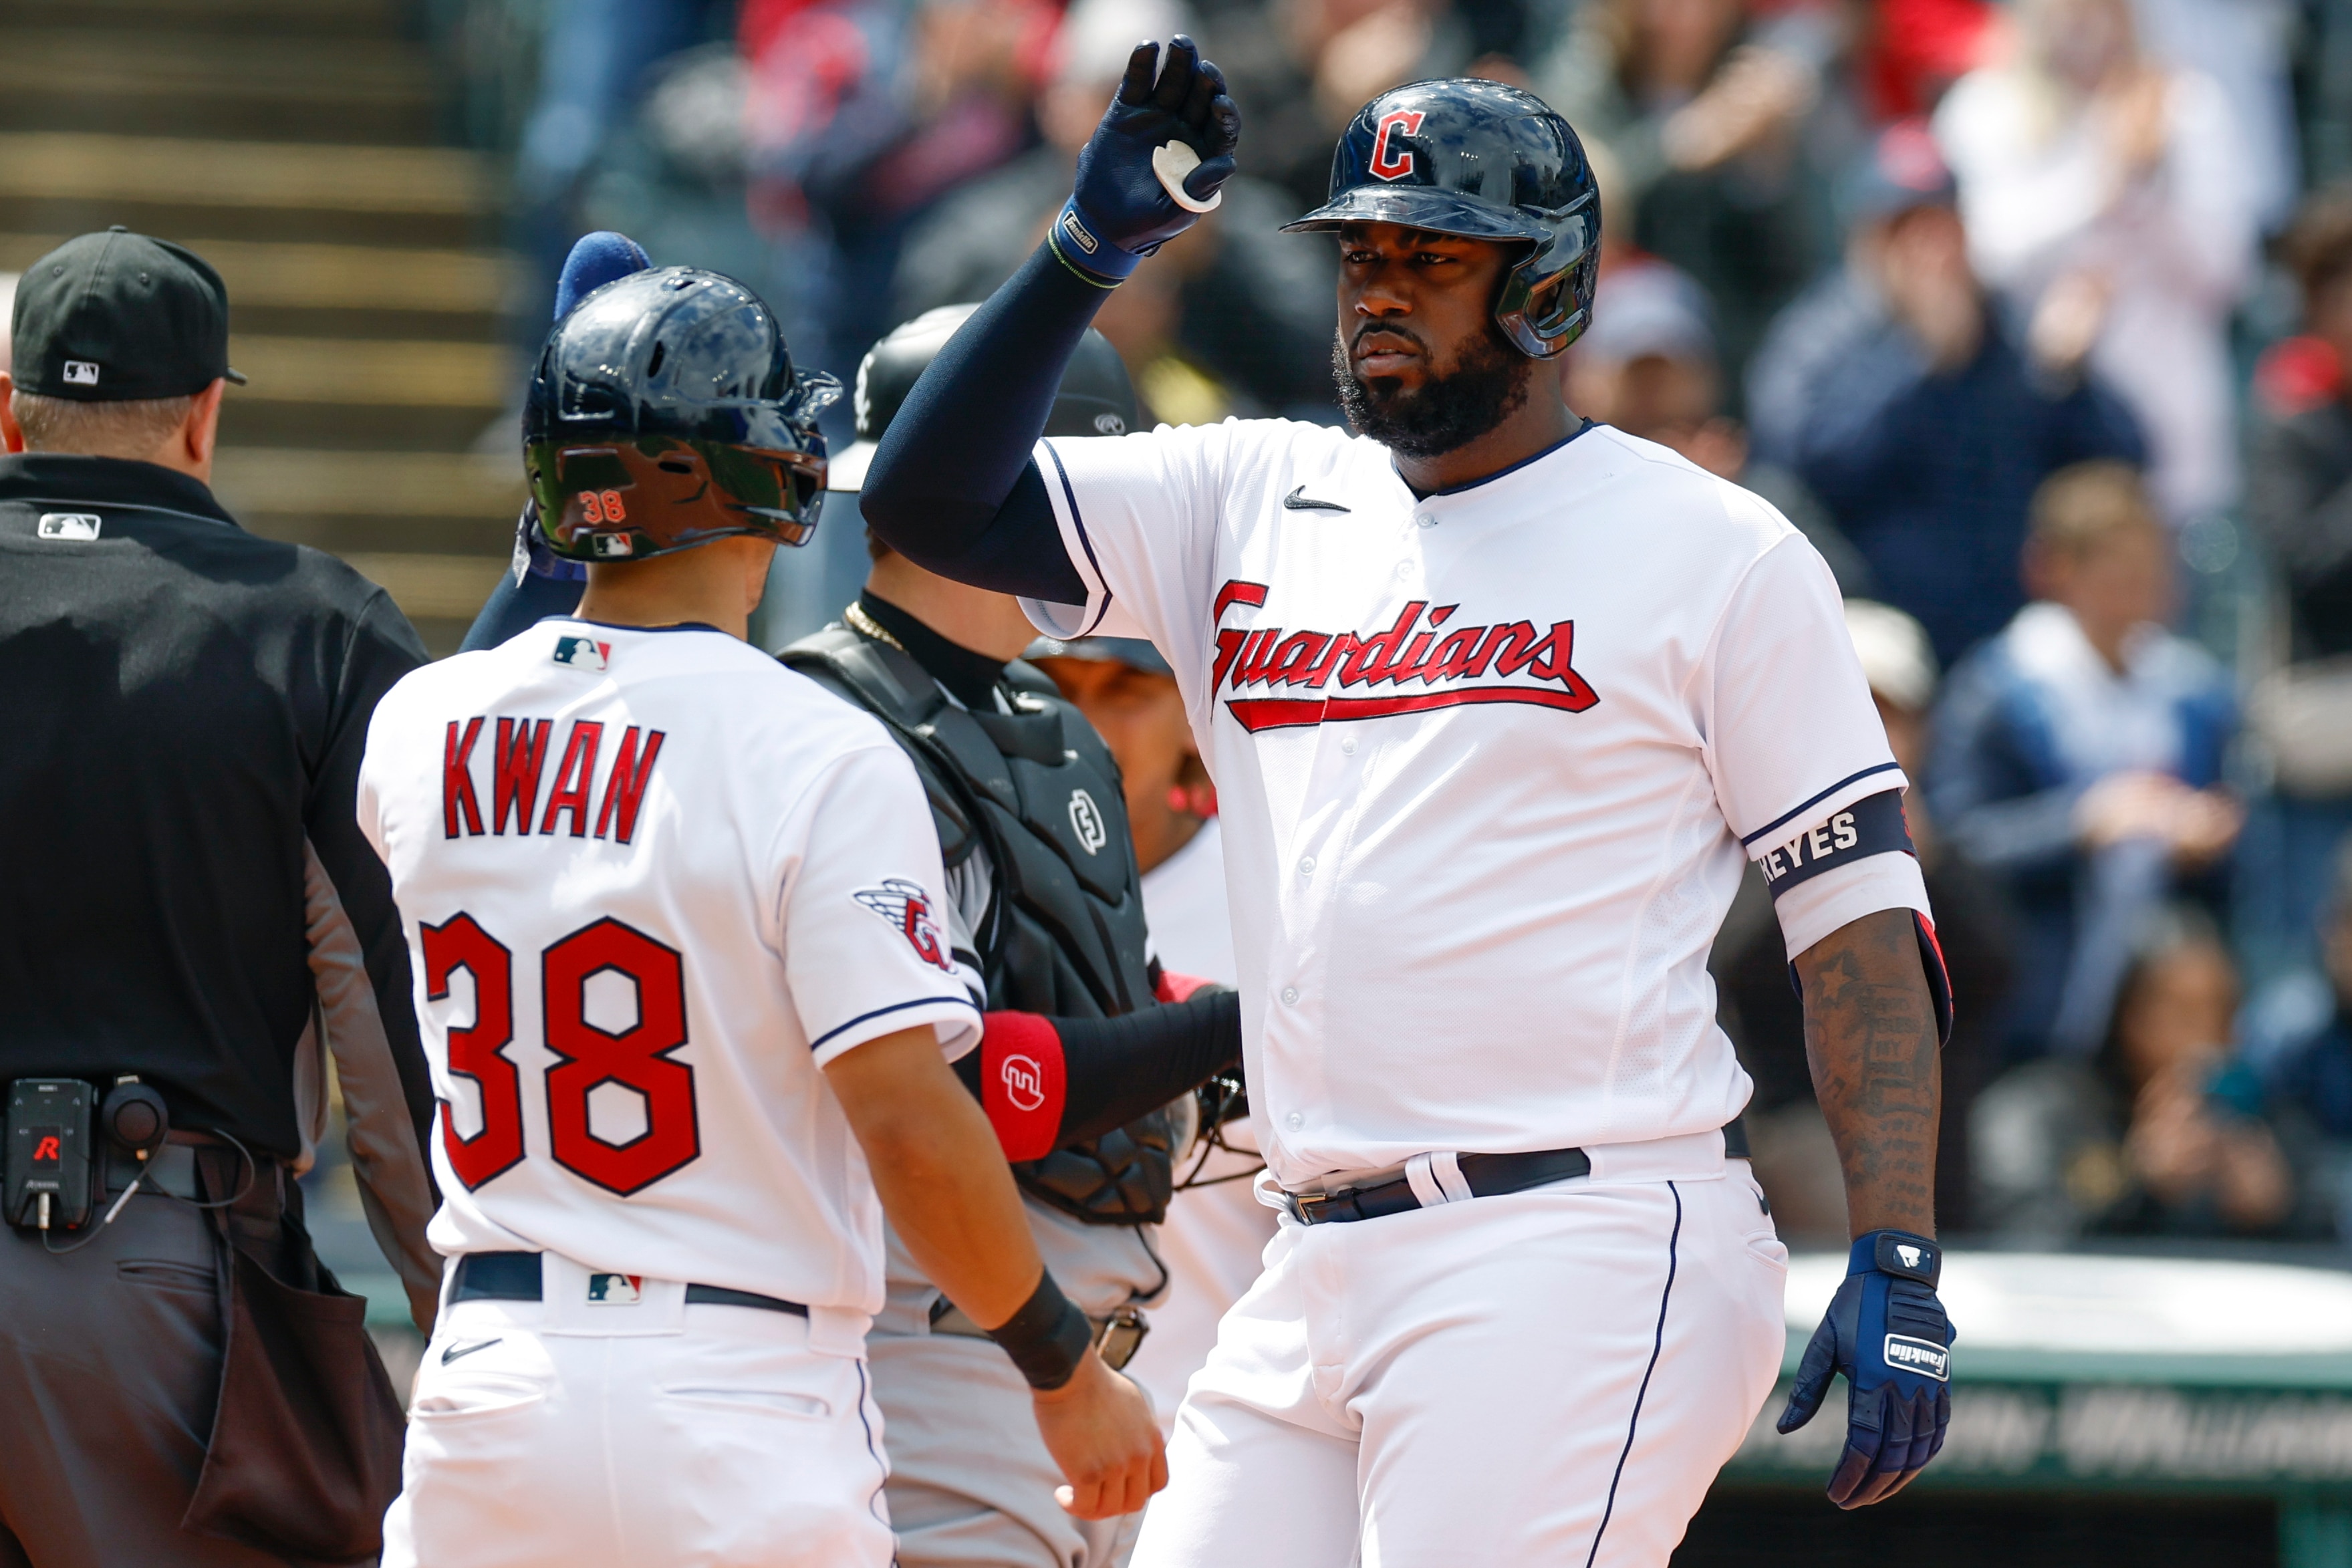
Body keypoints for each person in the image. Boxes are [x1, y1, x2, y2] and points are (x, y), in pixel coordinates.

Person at [862, 49, 1959, 1558]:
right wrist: (1081, 255)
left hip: (1571, 1234)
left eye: (1428, 257)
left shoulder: (1717, 552)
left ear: (1548, 295)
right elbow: (924, 507)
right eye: (1358, 254)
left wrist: (1894, 1244)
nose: (1375, 288)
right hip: (1307, 1262)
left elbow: (1854, 926)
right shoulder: (1250, 492)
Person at [360, 267, 1165, 1567]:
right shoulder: (819, 749)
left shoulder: (417, 725)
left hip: (493, 1380)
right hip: (735, 1384)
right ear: (770, 478)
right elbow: (908, 1121)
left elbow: (536, 706)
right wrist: (1063, 1372)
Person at [781, 303, 1246, 1568]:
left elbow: (1085, 994)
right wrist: (1228, 1030)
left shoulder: (1050, 718)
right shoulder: (835, 730)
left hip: (1091, 1353)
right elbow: (961, 1089)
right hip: (944, 1339)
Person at [0, 229, 440, 1564]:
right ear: (203, 415)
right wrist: (456, 1307)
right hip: (145, 1273)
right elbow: (377, 1013)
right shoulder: (314, 628)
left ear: (12, 404)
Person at [1746, 118, 2145, 666]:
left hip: (2006, 643)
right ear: (1866, 239)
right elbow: (1799, 466)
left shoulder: (2005, 329)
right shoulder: (1821, 334)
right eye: (1904, 231)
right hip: (1867, 639)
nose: (1928, 252)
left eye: (1940, 226)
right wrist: (1918, 360)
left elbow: (2125, 459)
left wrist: (2068, 378)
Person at [1028, 634, 1271, 1440]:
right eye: (1057, 679)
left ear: (1196, 718)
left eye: (1127, 687)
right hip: (995, 1434)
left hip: (1222, 1440)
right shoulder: (958, 894)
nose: (1085, 719)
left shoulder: (1275, 904)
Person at [1710, 601, 2012, 1241]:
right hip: (1779, 1162)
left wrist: (1911, 862)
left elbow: (1999, 975)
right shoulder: (1735, 833)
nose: (1872, 733)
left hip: (1942, 1165)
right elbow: (1733, 980)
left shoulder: (1949, 847)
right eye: (1857, 710)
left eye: (1891, 715)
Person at [1930, 461, 2238, 1064]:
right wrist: (2082, 824)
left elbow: (2222, 874)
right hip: (2028, 1009)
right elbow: (1957, 845)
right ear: (2057, 568)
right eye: (2116, 567)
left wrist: (2201, 836)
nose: (2138, 586)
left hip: (2149, 1011)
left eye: (2146, 566)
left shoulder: (2190, 693)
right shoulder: (1999, 689)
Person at [1933, 0, 2256, 526]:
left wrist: (2147, 185)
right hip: (2033, 434)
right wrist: (2105, 179)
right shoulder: (1981, 107)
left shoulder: (2185, 101)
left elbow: (2227, 272)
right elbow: (1988, 255)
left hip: (2171, 433)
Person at [1973, 906, 2299, 1240]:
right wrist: (2138, 1185)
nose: (2207, 1041)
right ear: (2128, 1015)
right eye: (2184, 1015)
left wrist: (2278, 1214)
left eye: (2223, 1014)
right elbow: (2022, 1242)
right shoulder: (2039, 1111)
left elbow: (2327, 1232)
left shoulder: (2258, 1120)